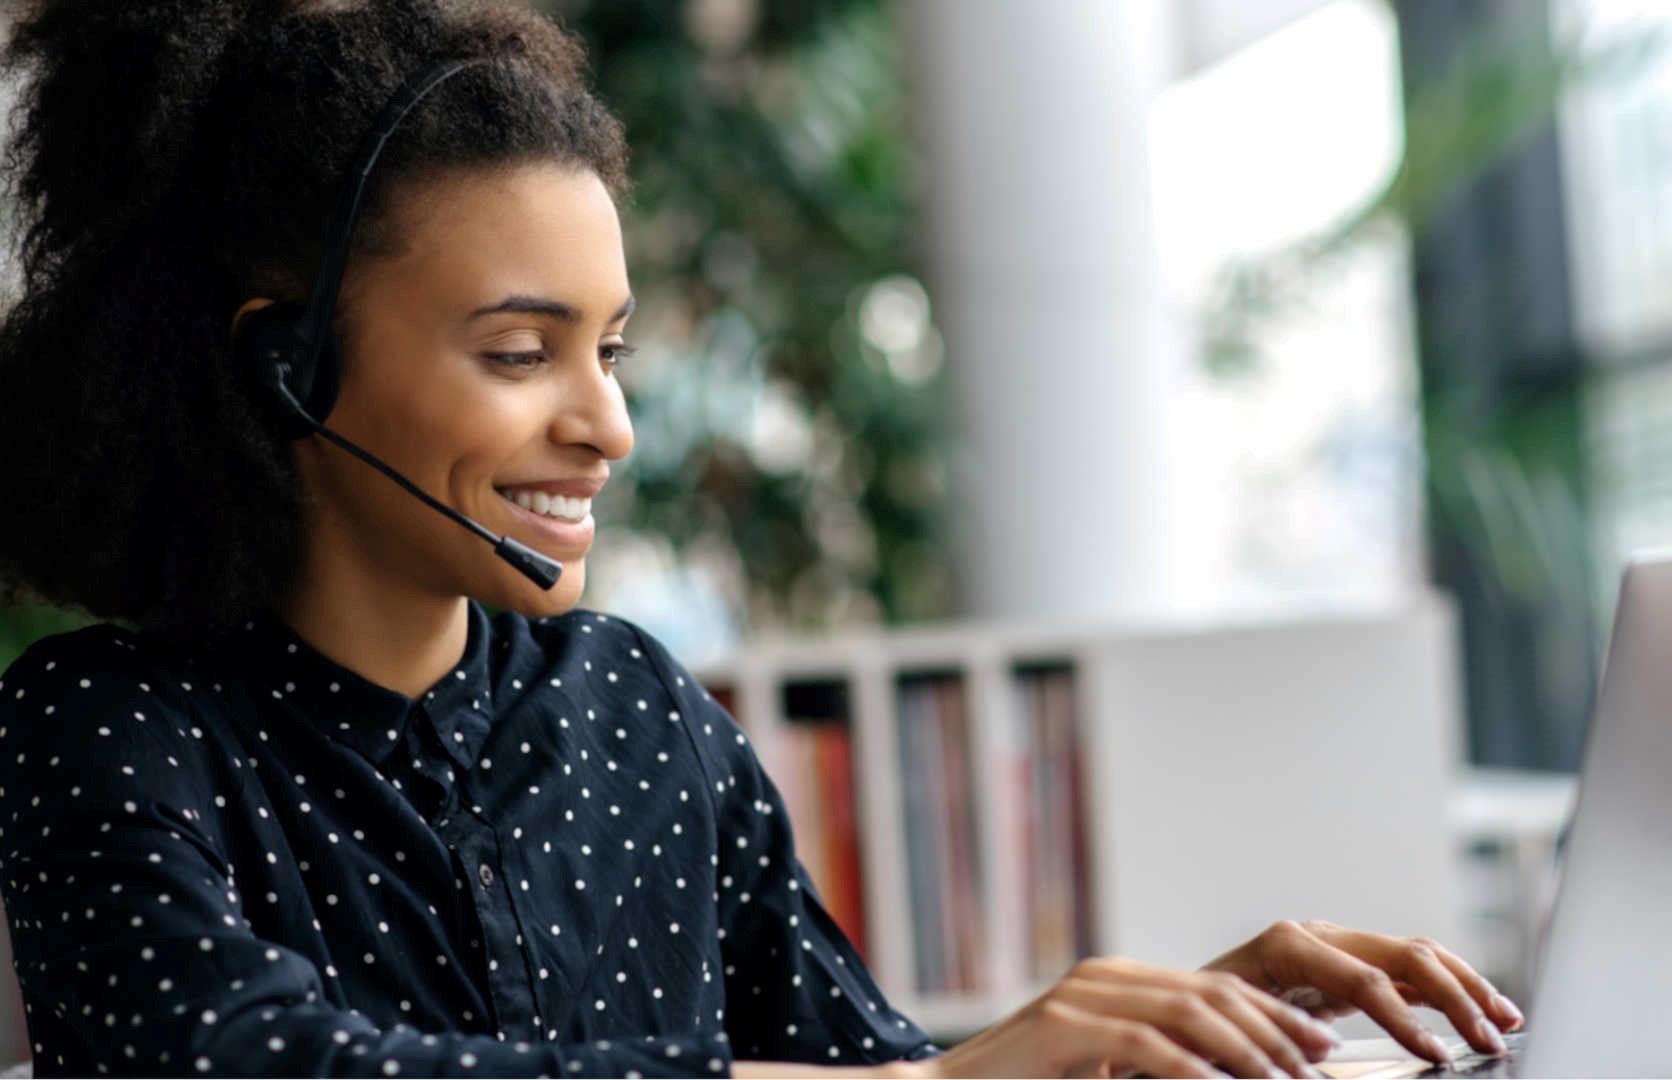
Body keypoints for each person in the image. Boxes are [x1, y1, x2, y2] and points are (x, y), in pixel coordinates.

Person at [0, 1, 1525, 1076]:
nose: (609, 427)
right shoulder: (100, 730)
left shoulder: (637, 711)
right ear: (289, 364)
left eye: (616, 350)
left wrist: (1160, 1031)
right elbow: (246, 1060)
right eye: (523, 353)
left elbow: (863, 1066)